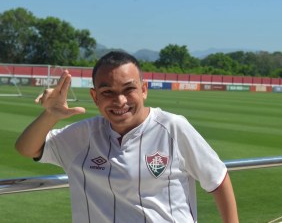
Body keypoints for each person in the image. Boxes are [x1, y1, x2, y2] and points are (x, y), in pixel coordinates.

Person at [15, 51, 238, 223]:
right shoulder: (83, 135)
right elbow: (27, 148)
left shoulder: (172, 127)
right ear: (95, 97)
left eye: (128, 89)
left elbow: (217, 179)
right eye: (107, 92)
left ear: (144, 90)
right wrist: (50, 115)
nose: (120, 101)